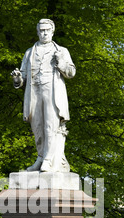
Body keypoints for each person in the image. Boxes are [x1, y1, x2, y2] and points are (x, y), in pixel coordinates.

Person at [11, 19, 76, 172]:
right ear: (38, 32)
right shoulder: (29, 52)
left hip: (52, 91)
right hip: (34, 92)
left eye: (47, 30)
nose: (44, 33)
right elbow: (23, 76)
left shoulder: (62, 51)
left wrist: (60, 62)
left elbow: (71, 72)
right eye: (41, 30)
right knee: (37, 126)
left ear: (52, 31)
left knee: (50, 125)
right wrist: (17, 78)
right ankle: (40, 157)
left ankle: (48, 159)